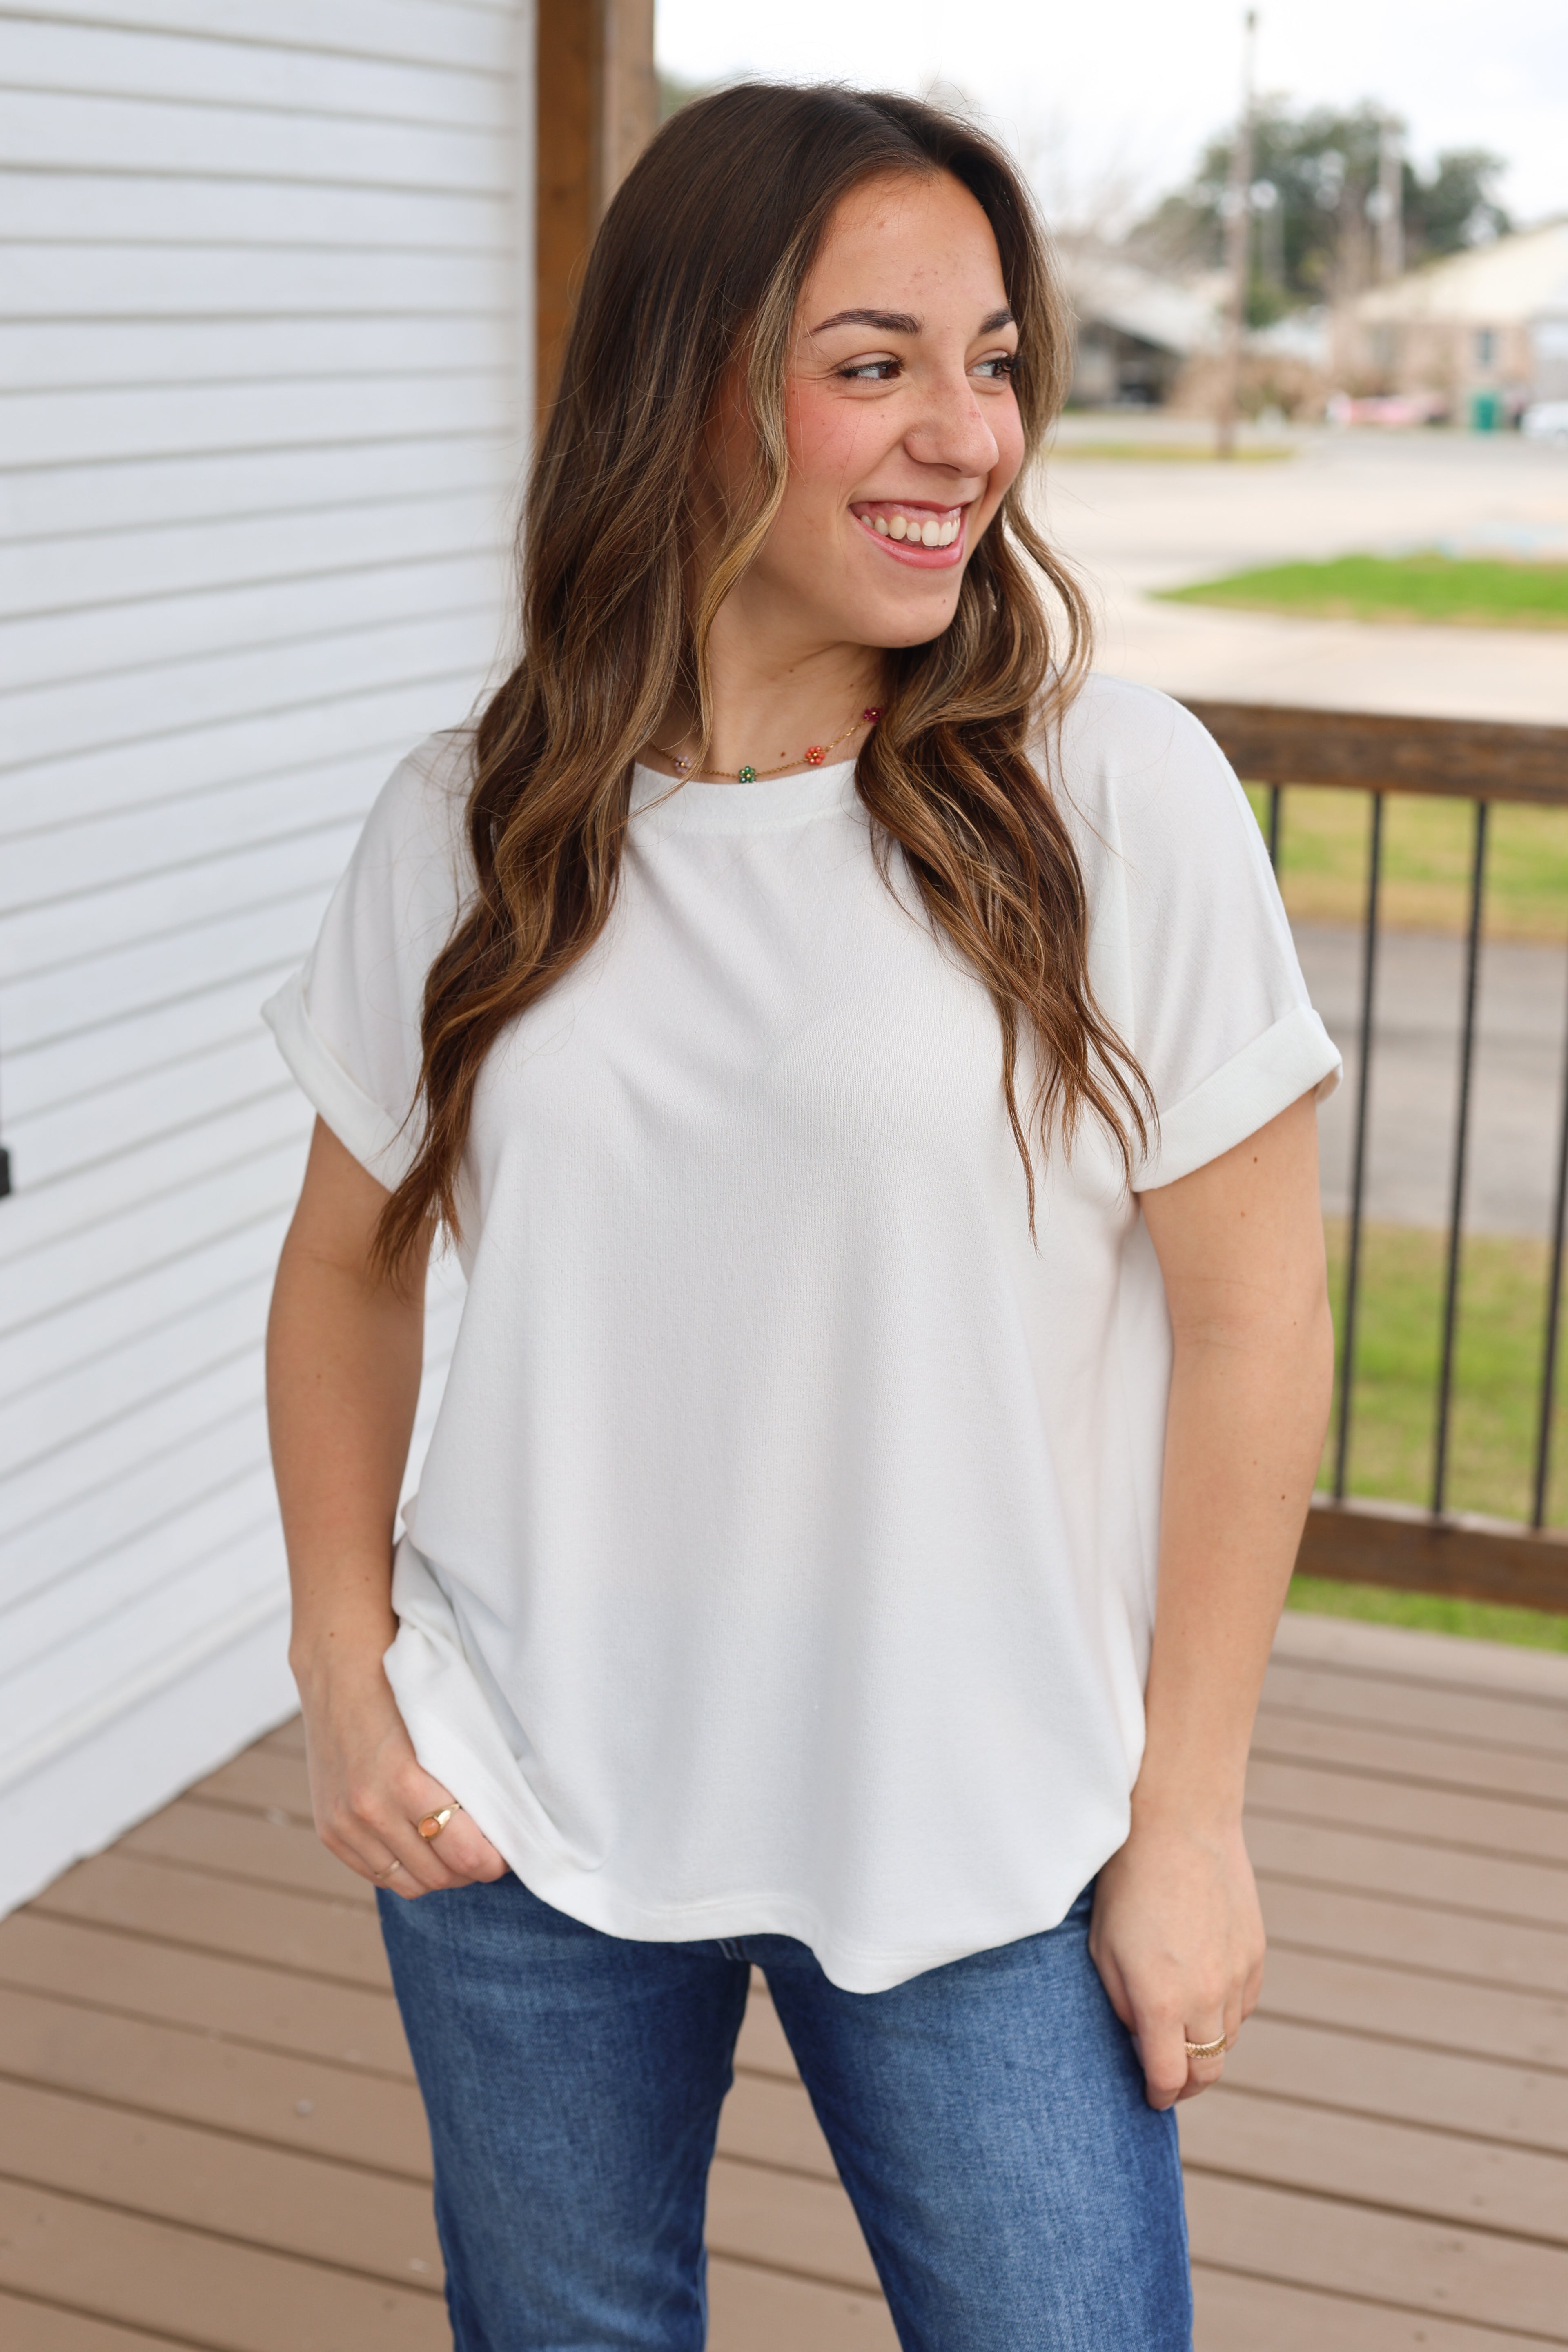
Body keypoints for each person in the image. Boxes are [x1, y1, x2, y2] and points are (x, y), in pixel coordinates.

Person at [264, 82, 1339, 2352]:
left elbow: (1254, 1324)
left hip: (983, 1822)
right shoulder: (477, 818)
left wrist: (1196, 1815)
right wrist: (346, 1671)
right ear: (687, 389)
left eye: (995, 361)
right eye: (877, 363)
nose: (969, 433)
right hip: (521, 1807)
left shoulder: (1109, 797)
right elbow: (348, 1265)